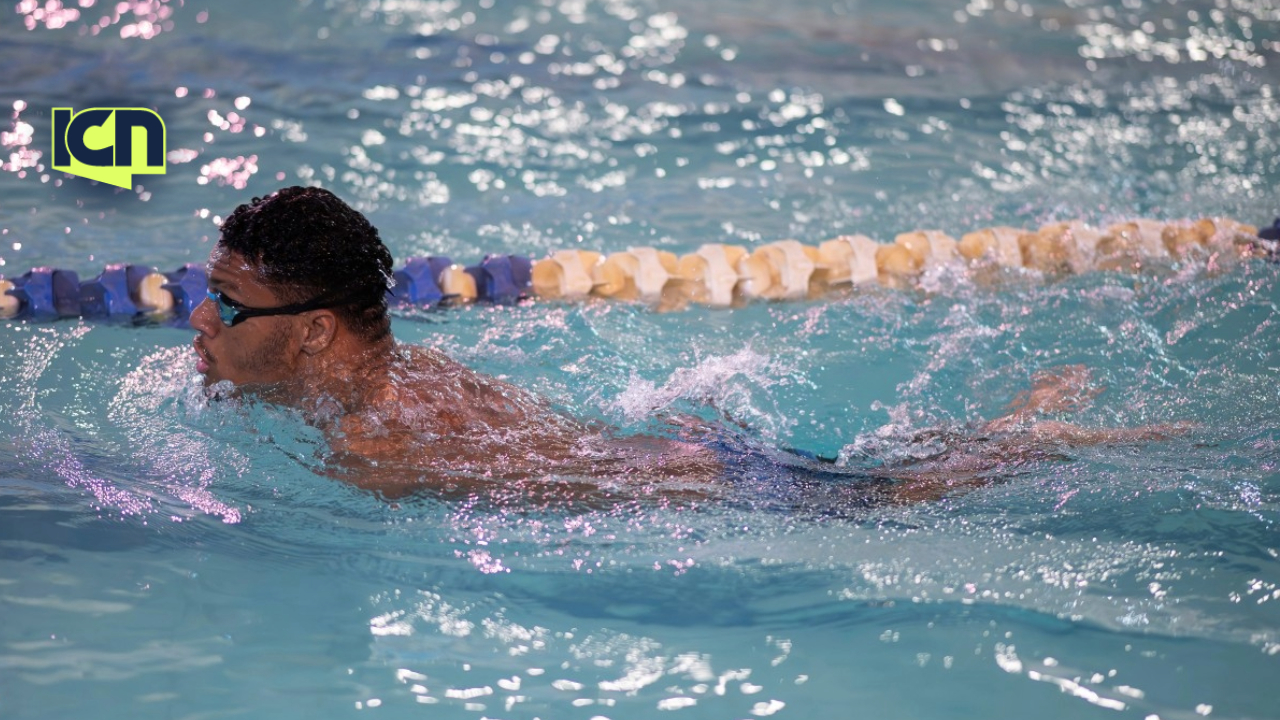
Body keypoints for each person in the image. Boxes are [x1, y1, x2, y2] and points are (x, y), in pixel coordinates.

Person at [190, 186, 1184, 503]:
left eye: (227, 307)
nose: (201, 322)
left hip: (707, 483)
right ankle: (1028, 424)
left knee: (886, 498)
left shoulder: (375, 449)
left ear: (316, 330)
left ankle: (1065, 434)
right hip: (683, 454)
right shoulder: (401, 375)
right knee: (891, 474)